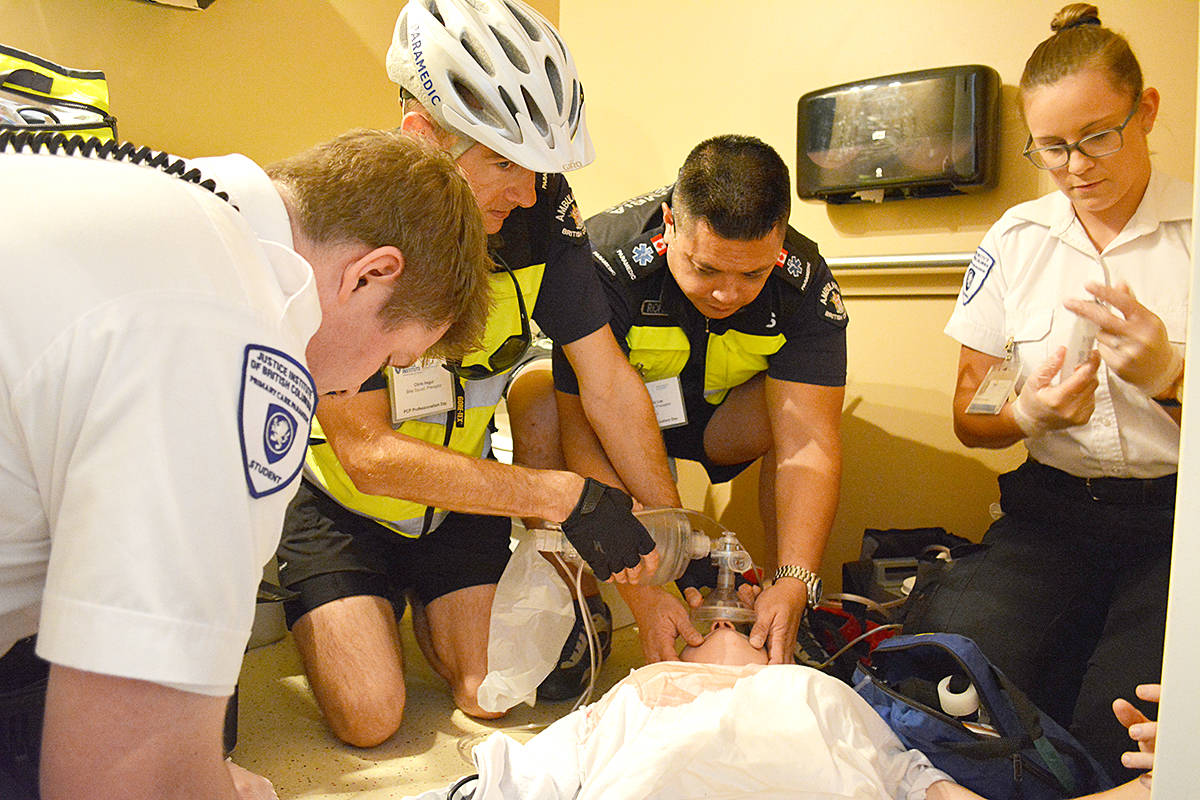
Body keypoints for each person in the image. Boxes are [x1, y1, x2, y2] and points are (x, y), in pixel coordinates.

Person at [0, 127, 492, 800]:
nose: (355, 387)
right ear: (370, 274)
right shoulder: (233, 338)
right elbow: (118, 778)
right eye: (390, 356)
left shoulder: (173, 200)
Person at [275, 0, 683, 749]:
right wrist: (557, 495)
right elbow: (365, 455)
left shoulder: (540, 210)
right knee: (372, 718)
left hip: (457, 496)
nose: (526, 193)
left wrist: (668, 549)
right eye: (501, 161)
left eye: (538, 168)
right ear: (421, 138)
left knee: (490, 697)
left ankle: (417, 605)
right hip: (342, 499)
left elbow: (609, 385)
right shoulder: (351, 218)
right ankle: (346, 601)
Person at [914, 2, 1188, 783]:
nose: (1075, 167)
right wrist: (1029, 411)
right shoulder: (1018, 239)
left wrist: (1171, 379)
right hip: (1051, 514)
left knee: (1120, 733)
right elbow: (972, 413)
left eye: (1098, 136)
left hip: (1175, 526)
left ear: (1148, 111)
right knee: (954, 692)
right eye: (1052, 147)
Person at [546, 134, 848, 664]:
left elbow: (809, 445)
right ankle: (577, 606)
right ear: (669, 222)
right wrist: (647, 594)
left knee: (800, 415)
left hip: (718, 420)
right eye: (706, 268)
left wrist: (797, 578)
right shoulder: (602, 260)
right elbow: (582, 436)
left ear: (778, 242)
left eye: (752, 273)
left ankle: (777, 612)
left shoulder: (805, 278)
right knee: (538, 408)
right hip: (616, 419)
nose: (727, 293)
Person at [402, 625, 1153, 800]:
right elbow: (499, 782)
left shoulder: (844, 709)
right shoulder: (634, 704)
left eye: (745, 631)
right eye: (706, 632)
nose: (726, 629)